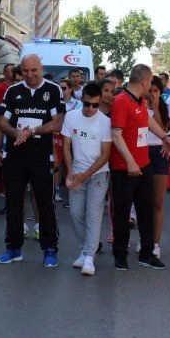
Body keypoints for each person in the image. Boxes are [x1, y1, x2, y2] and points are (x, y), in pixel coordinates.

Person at [0, 54, 65, 267]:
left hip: (41, 156)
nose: (30, 75)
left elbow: (57, 124)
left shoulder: (53, 90)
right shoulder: (13, 90)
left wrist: (33, 130)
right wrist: (16, 134)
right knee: (14, 203)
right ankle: (13, 247)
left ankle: (50, 249)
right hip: (15, 157)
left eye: (34, 70)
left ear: (41, 69)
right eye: (25, 71)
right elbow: (1, 121)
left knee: (45, 203)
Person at [110, 64, 170, 271]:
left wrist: (164, 137)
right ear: (145, 81)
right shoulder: (120, 101)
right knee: (122, 212)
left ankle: (147, 254)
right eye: (151, 81)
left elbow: (147, 120)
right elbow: (116, 134)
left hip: (143, 164)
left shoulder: (140, 101)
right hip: (124, 167)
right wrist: (129, 162)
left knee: (146, 210)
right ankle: (120, 255)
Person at [62, 82, 112, 275]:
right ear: (82, 99)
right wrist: (69, 170)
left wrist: (85, 175)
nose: (91, 109)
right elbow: (66, 145)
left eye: (95, 105)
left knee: (93, 214)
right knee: (75, 213)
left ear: (100, 103)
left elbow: (105, 155)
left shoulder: (104, 121)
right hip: (76, 172)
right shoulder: (71, 116)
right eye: (87, 104)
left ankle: (89, 257)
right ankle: (84, 249)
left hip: (98, 173)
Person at [146, 76, 170, 260]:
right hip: (142, 152)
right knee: (143, 201)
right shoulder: (138, 105)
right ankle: (144, 239)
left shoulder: (165, 107)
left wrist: (155, 108)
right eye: (150, 90)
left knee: (158, 201)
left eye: (156, 90)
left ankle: (155, 243)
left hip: (160, 154)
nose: (152, 94)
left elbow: (163, 130)